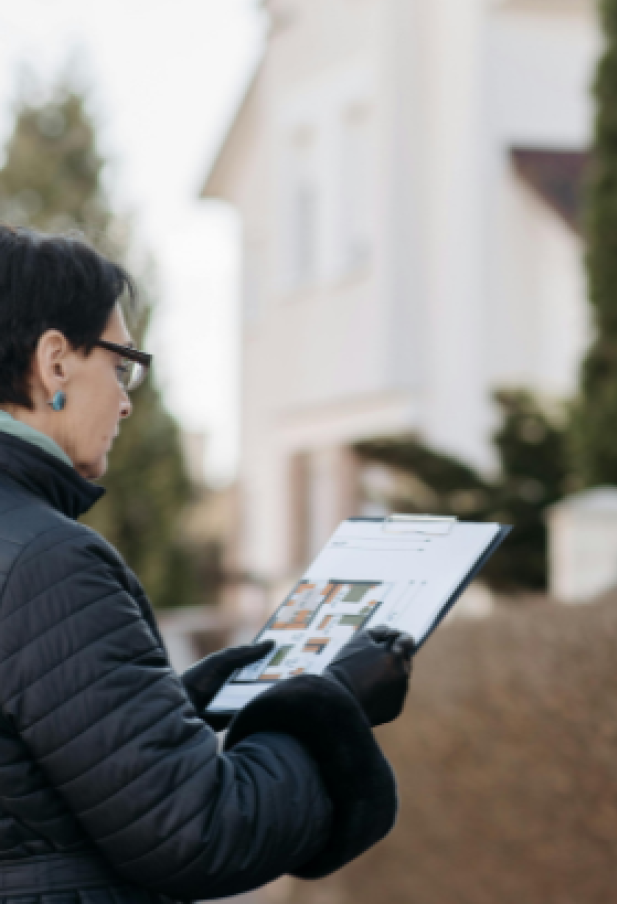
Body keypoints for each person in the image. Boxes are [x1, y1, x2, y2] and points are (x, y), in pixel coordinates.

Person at [0, 225, 414, 903]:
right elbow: (198, 832)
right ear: (54, 363)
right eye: (122, 363)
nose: (128, 399)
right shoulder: (49, 563)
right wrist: (333, 705)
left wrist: (177, 706)